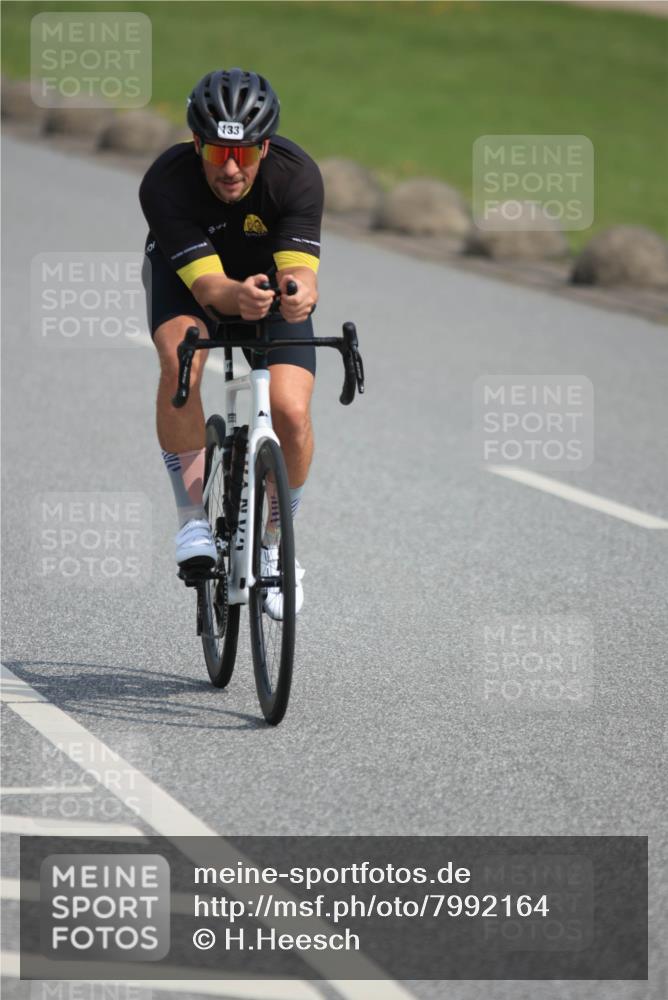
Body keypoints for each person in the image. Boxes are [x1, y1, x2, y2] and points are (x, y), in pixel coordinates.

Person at [139, 68, 324, 617]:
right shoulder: (165, 182)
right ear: (196, 142)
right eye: (218, 152)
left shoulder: (297, 176)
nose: (231, 167)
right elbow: (210, 289)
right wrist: (232, 296)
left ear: (265, 146)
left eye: (245, 153)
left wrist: (297, 295)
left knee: (290, 411)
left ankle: (273, 544)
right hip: (192, 284)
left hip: (264, 286)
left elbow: (302, 272)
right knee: (181, 360)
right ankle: (192, 520)